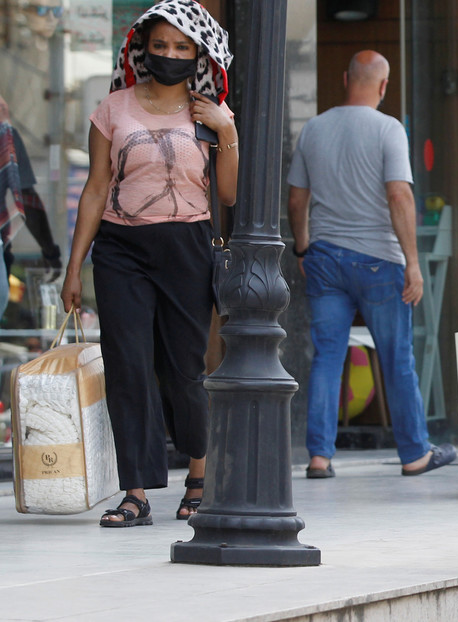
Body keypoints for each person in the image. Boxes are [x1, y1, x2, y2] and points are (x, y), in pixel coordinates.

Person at [61, 0, 238, 526]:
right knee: (128, 366)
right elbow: (95, 189)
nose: (169, 55)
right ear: (142, 48)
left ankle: (199, 477)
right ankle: (135, 492)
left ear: (197, 54)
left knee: (184, 370)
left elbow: (225, 194)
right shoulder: (112, 108)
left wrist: (226, 129)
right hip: (120, 249)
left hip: (186, 248)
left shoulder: (209, 115)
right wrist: (75, 268)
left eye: (182, 47)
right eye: (159, 45)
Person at [287, 50, 455, 479]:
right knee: (397, 358)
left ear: (346, 77)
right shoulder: (389, 129)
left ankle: (320, 457)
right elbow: (399, 195)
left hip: (325, 257)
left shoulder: (313, 128)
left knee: (326, 357)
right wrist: (413, 264)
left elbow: (296, 199)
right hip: (381, 261)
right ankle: (415, 453)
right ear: (383, 86)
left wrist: (304, 249)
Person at [0, 93, 64, 290]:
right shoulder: (5, 135)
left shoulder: (5, 136)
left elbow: (27, 198)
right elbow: (27, 198)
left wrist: (49, 250)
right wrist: (49, 251)